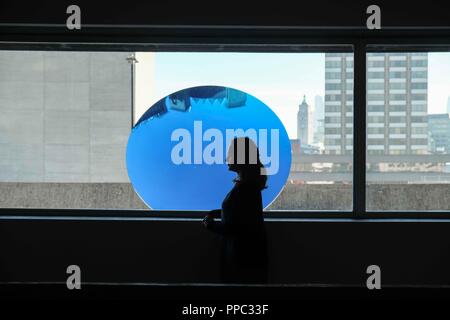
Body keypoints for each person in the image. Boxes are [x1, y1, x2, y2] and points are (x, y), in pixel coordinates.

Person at [203, 137, 268, 284]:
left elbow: (233, 227)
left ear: (241, 158)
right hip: (249, 254)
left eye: (230, 153)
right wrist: (218, 213)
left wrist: (209, 224)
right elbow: (241, 216)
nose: (227, 158)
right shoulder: (250, 186)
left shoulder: (244, 189)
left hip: (241, 256)